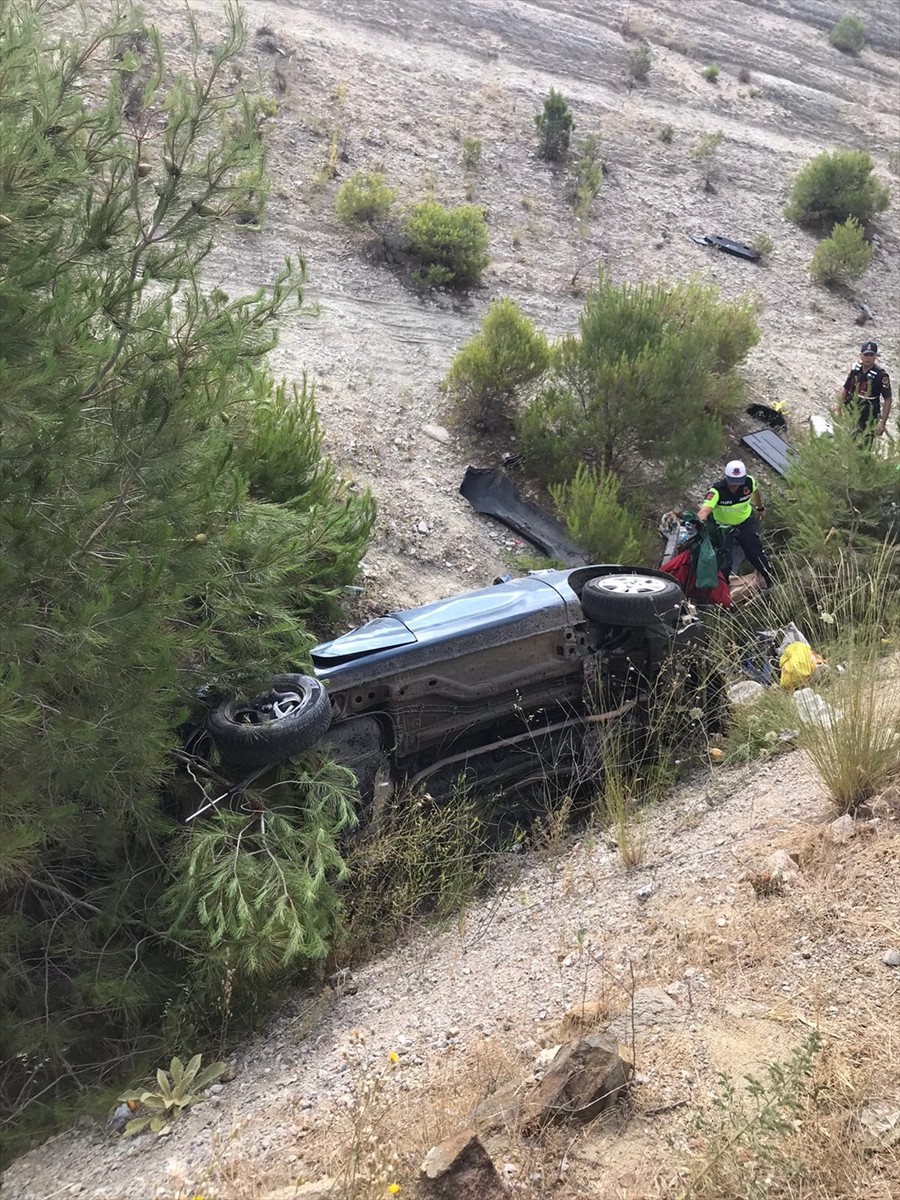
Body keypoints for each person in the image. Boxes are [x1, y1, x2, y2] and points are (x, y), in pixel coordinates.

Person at [697, 459, 772, 587]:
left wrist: (760, 508)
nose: (735, 486)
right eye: (732, 483)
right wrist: (701, 527)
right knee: (724, 560)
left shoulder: (749, 482)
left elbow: (756, 492)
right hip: (723, 528)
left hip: (744, 523)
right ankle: (723, 589)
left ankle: (768, 579)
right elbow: (703, 512)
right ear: (726, 478)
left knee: (754, 552)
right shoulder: (717, 491)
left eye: (738, 483)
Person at [836, 341, 892, 438]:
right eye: (866, 354)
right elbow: (845, 388)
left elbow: (888, 399)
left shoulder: (880, 375)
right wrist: (838, 408)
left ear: (875, 356)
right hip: (850, 412)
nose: (868, 358)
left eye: (871, 355)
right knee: (845, 440)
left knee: (863, 446)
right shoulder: (855, 370)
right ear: (861, 355)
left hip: (868, 417)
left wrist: (882, 423)